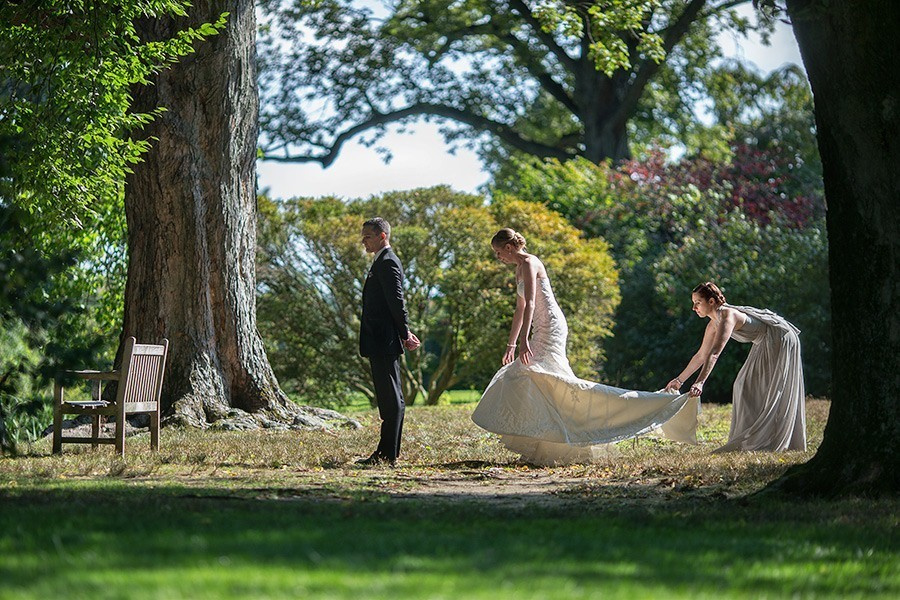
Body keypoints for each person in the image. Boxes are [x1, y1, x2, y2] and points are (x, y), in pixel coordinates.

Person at [471, 228, 699, 465]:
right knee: (535, 379)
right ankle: (547, 444)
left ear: (509, 247)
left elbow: (530, 303)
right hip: (538, 325)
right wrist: (511, 343)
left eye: (498, 252)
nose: (498, 257)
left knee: (530, 375)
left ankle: (614, 415)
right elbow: (519, 309)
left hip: (550, 325)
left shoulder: (530, 262)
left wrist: (524, 341)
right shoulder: (518, 269)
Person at [665, 281, 806, 452]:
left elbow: (715, 352)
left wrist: (700, 382)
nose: (694, 308)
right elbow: (701, 355)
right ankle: (751, 440)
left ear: (711, 301)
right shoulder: (712, 325)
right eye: (693, 303)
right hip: (763, 342)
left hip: (780, 338)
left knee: (747, 385)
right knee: (743, 385)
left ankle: (764, 440)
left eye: (697, 303)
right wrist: (679, 380)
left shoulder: (727, 316)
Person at [356, 217, 420, 466]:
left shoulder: (388, 262)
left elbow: (397, 301)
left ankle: (386, 455)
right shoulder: (380, 261)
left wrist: (405, 333)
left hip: (384, 339)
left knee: (391, 398)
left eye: (368, 236)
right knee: (390, 397)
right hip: (379, 339)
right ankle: (387, 452)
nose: (363, 241)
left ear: (382, 236)